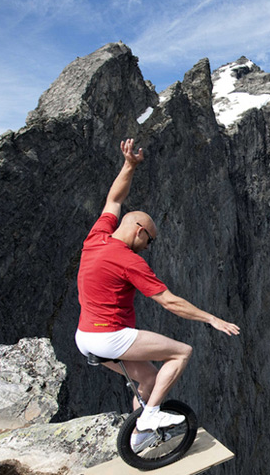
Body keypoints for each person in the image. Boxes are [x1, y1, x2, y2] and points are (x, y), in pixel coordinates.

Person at [75, 139, 239, 450]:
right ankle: (150, 415)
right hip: (109, 336)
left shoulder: (96, 237)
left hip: (84, 336)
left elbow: (113, 199)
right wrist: (212, 319)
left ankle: (137, 439)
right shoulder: (128, 260)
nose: (149, 247)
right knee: (182, 352)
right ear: (139, 231)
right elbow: (169, 301)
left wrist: (129, 166)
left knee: (148, 379)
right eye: (150, 240)